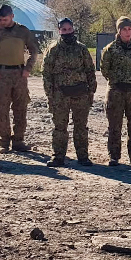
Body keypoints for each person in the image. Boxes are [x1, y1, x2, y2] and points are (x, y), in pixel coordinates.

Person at [0, 4, 40, 153]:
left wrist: (28, 68)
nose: (2, 22)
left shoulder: (22, 31)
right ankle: (4, 142)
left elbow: (34, 51)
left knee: (21, 108)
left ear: (12, 16)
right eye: (0, 20)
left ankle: (18, 141)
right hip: (1, 75)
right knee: (2, 109)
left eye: (5, 19)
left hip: (19, 74)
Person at [42, 18, 97, 167]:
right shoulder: (53, 49)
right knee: (60, 127)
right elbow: (46, 73)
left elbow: (90, 70)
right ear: (59, 31)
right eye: (64, 29)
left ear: (73, 29)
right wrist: (49, 94)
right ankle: (58, 157)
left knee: (81, 127)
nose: (67, 32)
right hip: (60, 95)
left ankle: (83, 157)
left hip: (80, 93)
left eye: (69, 29)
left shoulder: (82, 49)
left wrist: (91, 90)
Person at [99, 17, 131, 166]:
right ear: (119, 31)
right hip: (116, 92)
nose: (127, 32)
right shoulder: (110, 49)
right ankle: (114, 156)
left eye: (129, 29)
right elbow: (104, 69)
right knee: (114, 126)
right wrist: (117, 80)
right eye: (124, 29)